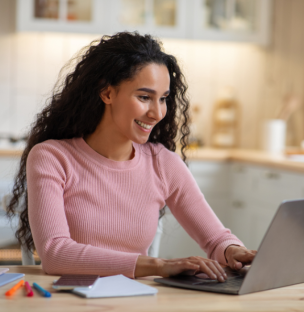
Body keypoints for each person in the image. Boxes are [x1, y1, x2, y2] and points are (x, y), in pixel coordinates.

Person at [6, 32, 256, 282]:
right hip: (70, 300)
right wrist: (157, 265)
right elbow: (55, 254)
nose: (157, 113)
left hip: (138, 300)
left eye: (163, 99)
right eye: (144, 97)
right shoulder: (52, 157)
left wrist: (234, 251)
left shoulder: (163, 163)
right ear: (107, 93)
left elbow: (215, 238)